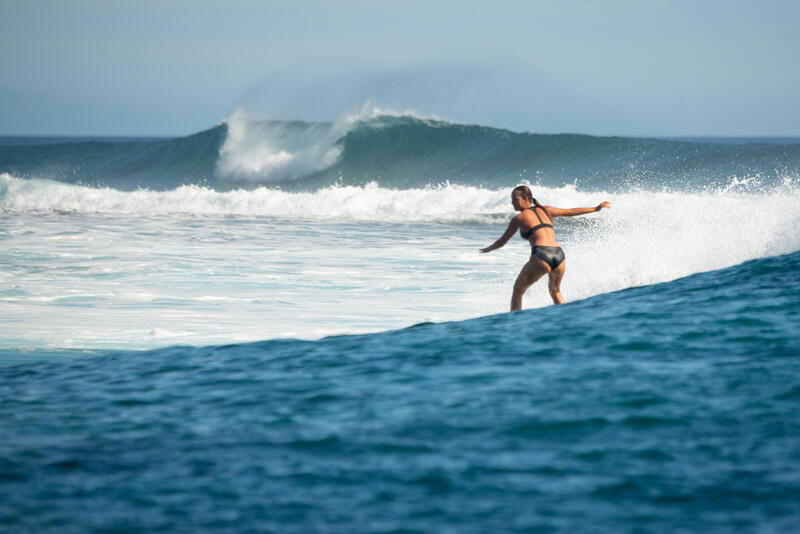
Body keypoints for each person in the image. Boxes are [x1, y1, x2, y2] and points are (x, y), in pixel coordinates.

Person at [479, 185, 611, 310]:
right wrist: (595, 208)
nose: (512, 202)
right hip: (559, 256)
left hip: (541, 255)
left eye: (515, 199)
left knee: (518, 291)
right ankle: (567, 320)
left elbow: (502, 241)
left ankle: (515, 324)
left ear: (526, 200)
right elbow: (570, 212)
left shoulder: (519, 218)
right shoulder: (546, 209)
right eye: (512, 200)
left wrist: (488, 249)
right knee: (555, 291)